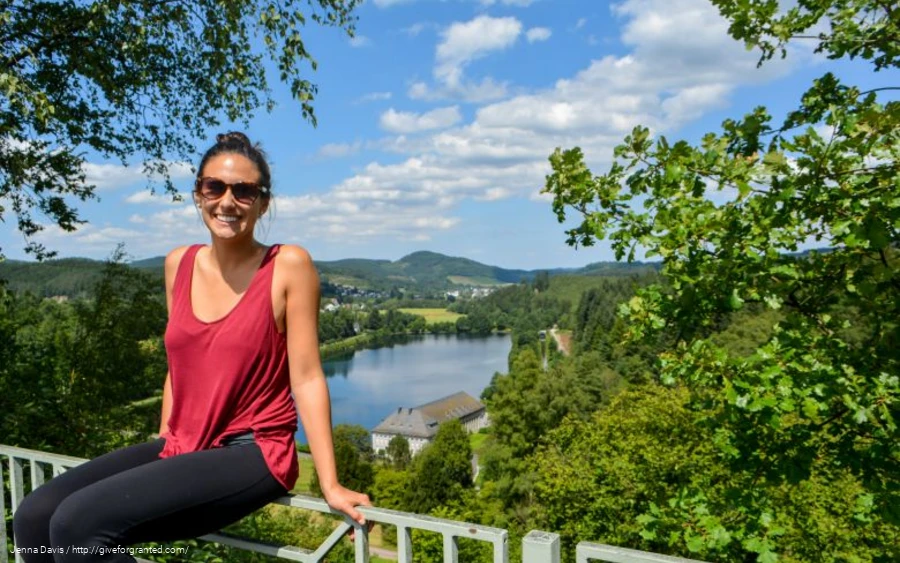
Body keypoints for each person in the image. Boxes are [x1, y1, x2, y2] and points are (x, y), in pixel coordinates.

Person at [13, 132, 371, 561]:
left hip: (254, 450)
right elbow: (178, 365)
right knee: (34, 517)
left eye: (244, 190)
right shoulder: (178, 264)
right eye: (214, 187)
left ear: (263, 203)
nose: (227, 201)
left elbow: (308, 378)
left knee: (77, 525)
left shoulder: (288, 265)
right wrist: (165, 442)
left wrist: (330, 483)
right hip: (185, 443)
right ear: (198, 195)